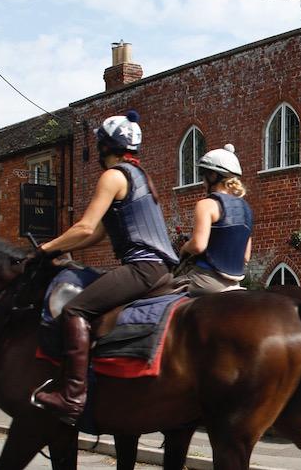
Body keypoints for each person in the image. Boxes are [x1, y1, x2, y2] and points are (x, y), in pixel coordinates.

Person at [30, 110, 180, 424]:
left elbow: (84, 227)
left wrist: (43, 249)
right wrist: (62, 247)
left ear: (104, 147)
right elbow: (97, 234)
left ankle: (71, 396)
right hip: (160, 270)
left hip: (142, 268)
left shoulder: (112, 176)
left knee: (74, 310)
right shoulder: (140, 177)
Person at [175, 144, 254, 296]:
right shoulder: (246, 210)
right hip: (235, 284)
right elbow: (246, 257)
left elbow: (198, 246)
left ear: (212, 176)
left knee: (161, 298)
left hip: (204, 281)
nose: (203, 182)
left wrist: (184, 247)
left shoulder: (206, 205)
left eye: (203, 176)